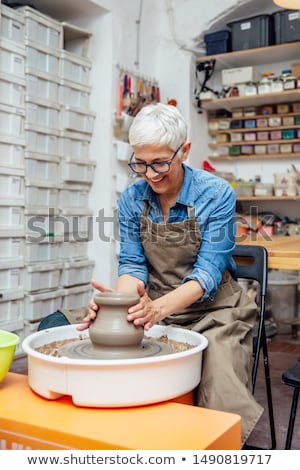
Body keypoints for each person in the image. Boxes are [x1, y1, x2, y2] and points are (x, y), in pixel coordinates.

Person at [39, 103, 263, 445]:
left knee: (220, 383)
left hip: (214, 310)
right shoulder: (132, 198)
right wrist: (116, 303)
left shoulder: (216, 194)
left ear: (184, 150)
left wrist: (157, 310)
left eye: (160, 162)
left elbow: (207, 274)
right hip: (151, 302)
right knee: (54, 329)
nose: (150, 174)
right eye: (140, 163)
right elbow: (132, 265)